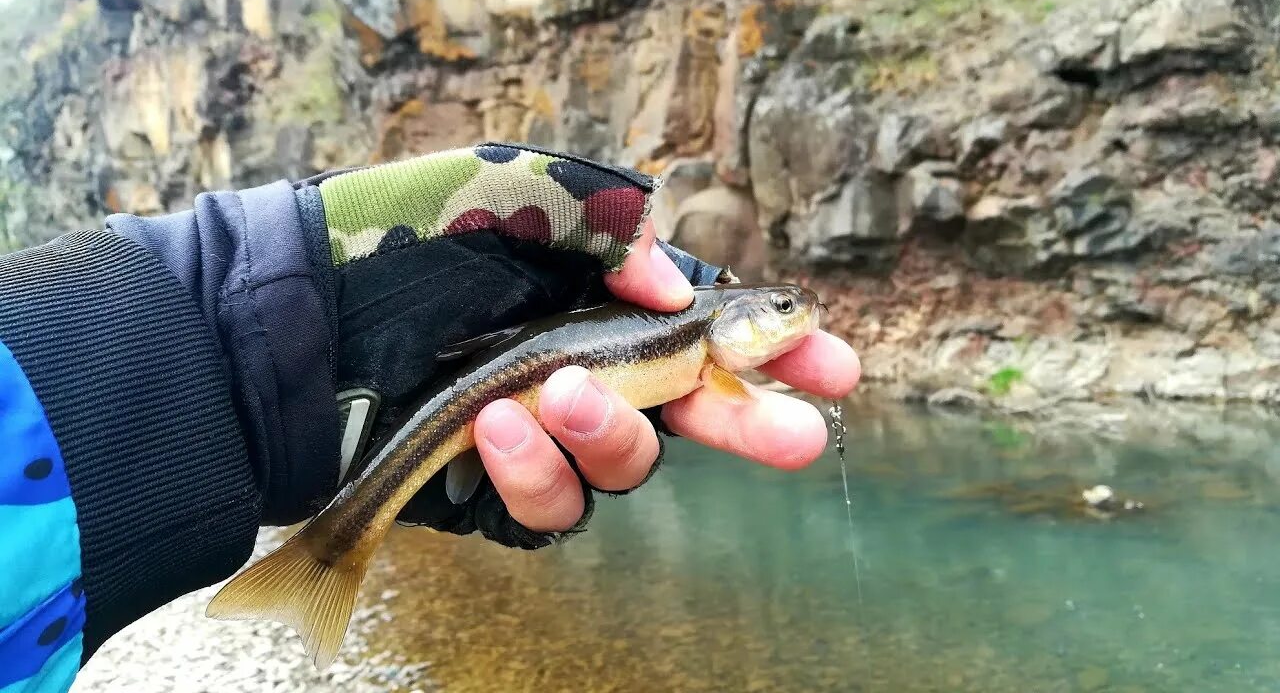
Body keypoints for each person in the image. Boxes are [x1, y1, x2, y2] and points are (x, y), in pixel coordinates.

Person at [0, 143, 860, 690]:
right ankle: (333, 546)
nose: (794, 315)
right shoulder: (703, 332)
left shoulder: (706, 333)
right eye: (783, 308)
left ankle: (332, 542)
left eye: (784, 308)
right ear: (732, 323)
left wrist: (260, 351)